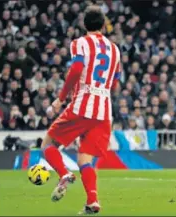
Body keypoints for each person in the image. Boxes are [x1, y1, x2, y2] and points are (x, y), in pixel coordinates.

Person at [40, 6, 121, 214]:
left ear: (84, 25)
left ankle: (64, 173)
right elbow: (115, 81)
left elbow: (76, 69)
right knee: (85, 158)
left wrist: (60, 99)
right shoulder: (115, 49)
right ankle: (92, 201)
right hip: (104, 109)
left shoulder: (80, 43)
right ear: (103, 25)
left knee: (48, 144)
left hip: (83, 103)